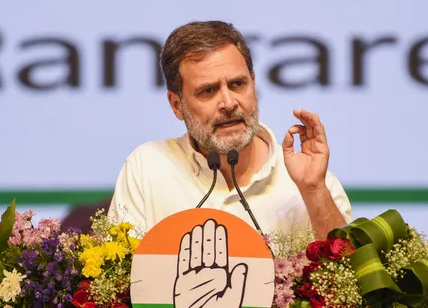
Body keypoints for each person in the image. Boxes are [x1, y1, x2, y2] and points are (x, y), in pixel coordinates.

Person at [107, 20, 352, 240]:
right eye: (209, 91)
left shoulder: (308, 178)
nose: (229, 102)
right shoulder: (148, 168)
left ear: (254, 85)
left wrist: (313, 190)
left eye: (237, 84)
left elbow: (352, 283)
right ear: (176, 105)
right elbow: (118, 285)